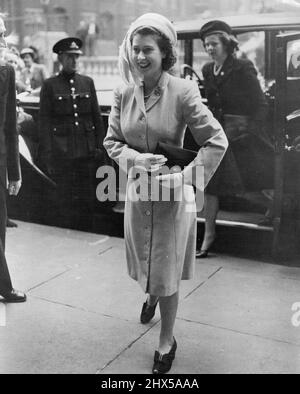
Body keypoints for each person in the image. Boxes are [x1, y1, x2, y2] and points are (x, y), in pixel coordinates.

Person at [103, 13, 228, 374]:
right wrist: (136, 158)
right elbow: (112, 141)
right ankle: (151, 294)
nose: (141, 57)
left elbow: (216, 141)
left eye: (149, 50)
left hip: (174, 198)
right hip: (140, 194)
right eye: (135, 49)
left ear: (164, 53)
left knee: (167, 266)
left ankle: (167, 339)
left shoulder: (183, 91)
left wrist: (187, 178)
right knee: (147, 258)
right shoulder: (123, 90)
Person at [196, 20, 268, 258]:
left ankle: (274, 212)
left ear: (226, 43)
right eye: (206, 44)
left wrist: (251, 130)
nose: (209, 48)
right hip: (219, 134)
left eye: (213, 43)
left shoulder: (242, 67)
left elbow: (260, 104)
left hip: (242, 135)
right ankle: (209, 234)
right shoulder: (208, 70)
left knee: (256, 184)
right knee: (210, 184)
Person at [39, 37, 106, 230]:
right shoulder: (50, 85)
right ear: (60, 58)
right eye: (70, 57)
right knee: (64, 195)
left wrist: (99, 146)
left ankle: (85, 229)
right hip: (62, 152)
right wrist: (48, 156)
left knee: (87, 194)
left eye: (77, 57)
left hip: (86, 152)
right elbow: (44, 123)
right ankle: (67, 231)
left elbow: (96, 117)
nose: (74, 61)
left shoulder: (87, 82)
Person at [0, 15, 26, 303]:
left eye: (4, 34)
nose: (4, 42)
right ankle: (4, 285)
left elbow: (10, 127)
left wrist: (14, 173)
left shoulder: (6, 73)